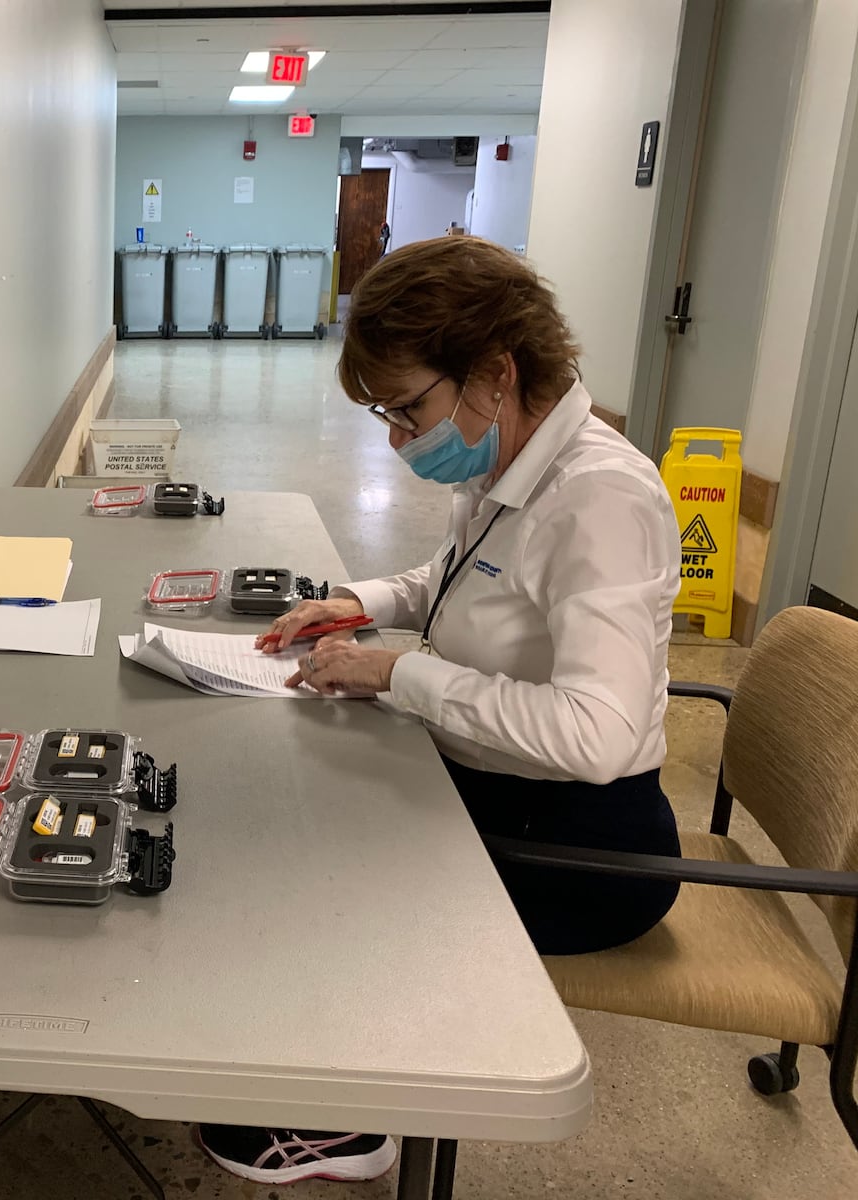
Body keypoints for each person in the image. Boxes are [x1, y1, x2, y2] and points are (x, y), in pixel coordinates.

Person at [195, 236, 684, 1187]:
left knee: (326, 883)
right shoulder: (514, 463)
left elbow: (599, 733)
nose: (395, 438)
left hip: (583, 843)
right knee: (295, 816)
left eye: (406, 407)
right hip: (496, 784)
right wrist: (368, 603)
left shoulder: (601, 500)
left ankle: (361, 1121)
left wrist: (396, 677)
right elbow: (466, 584)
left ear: (496, 373)